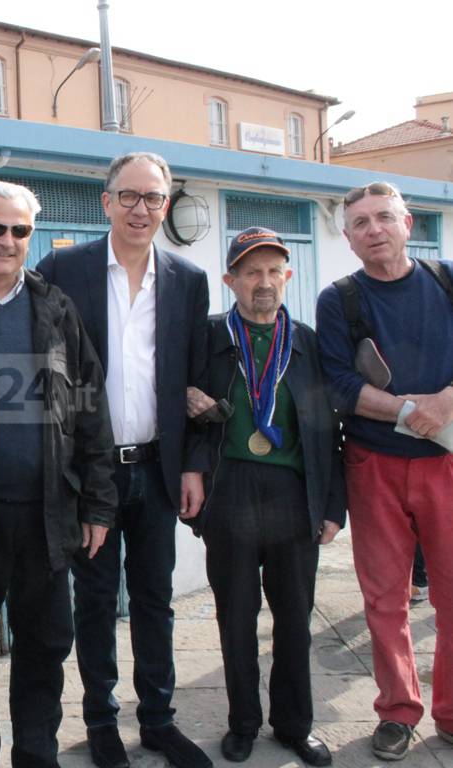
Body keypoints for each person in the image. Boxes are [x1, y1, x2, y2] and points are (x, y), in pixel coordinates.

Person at [35, 152, 210, 768]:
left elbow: (191, 379)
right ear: (105, 201)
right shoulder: (64, 269)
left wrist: (192, 464)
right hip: (93, 473)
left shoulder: (187, 281)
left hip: (159, 470)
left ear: (167, 206)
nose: (142, 209)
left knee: (155, 600)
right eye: (130, 196)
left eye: (154, 199)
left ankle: (158, 720)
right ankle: (101, 721)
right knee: (97, 601)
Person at [0, 180, 118, 768]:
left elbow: (90, 406)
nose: (7, 241)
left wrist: (97, 503)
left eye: (19, 231)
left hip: (46, 512)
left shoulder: (53, 306)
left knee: (45, 647)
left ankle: (36, 756)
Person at [186, 227, 345, 766]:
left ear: (288, 277)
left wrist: (331, 504)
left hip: (292, 492)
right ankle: (243, 723)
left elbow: (327, 429)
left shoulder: (308, 343)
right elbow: (179, 405)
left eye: (274, 270)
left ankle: (295, 724)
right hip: (229, 488)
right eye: (251, 271)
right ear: (230, 280)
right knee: (236, 616)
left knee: (295, 618)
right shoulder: (207, 338)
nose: (264, 282)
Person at [316, 181, 453, 761]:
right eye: (361, 224)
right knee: (385, 599)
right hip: (373, 463)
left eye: (383, 218)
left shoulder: (446, 280)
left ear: (409, 222)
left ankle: (449, 712)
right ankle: (397, 710)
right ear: (348, 239)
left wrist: (444, 402)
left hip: (447, 461)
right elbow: (339, 385)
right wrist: (407, 411)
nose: (374, 230)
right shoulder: (339, 299)